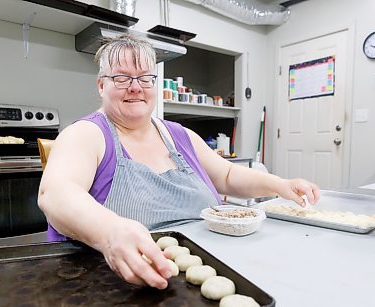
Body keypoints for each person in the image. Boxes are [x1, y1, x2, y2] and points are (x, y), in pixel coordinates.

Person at [38, 35, 320, 290]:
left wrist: (281, 185)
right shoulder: (87, 134)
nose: (135, 87)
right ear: (102, 85)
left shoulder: (178, 135)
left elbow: (229, 175)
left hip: (210, 271)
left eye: (145, 78)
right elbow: (57, 193)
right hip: (122, 285)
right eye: (122, 78)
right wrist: (110, 232)